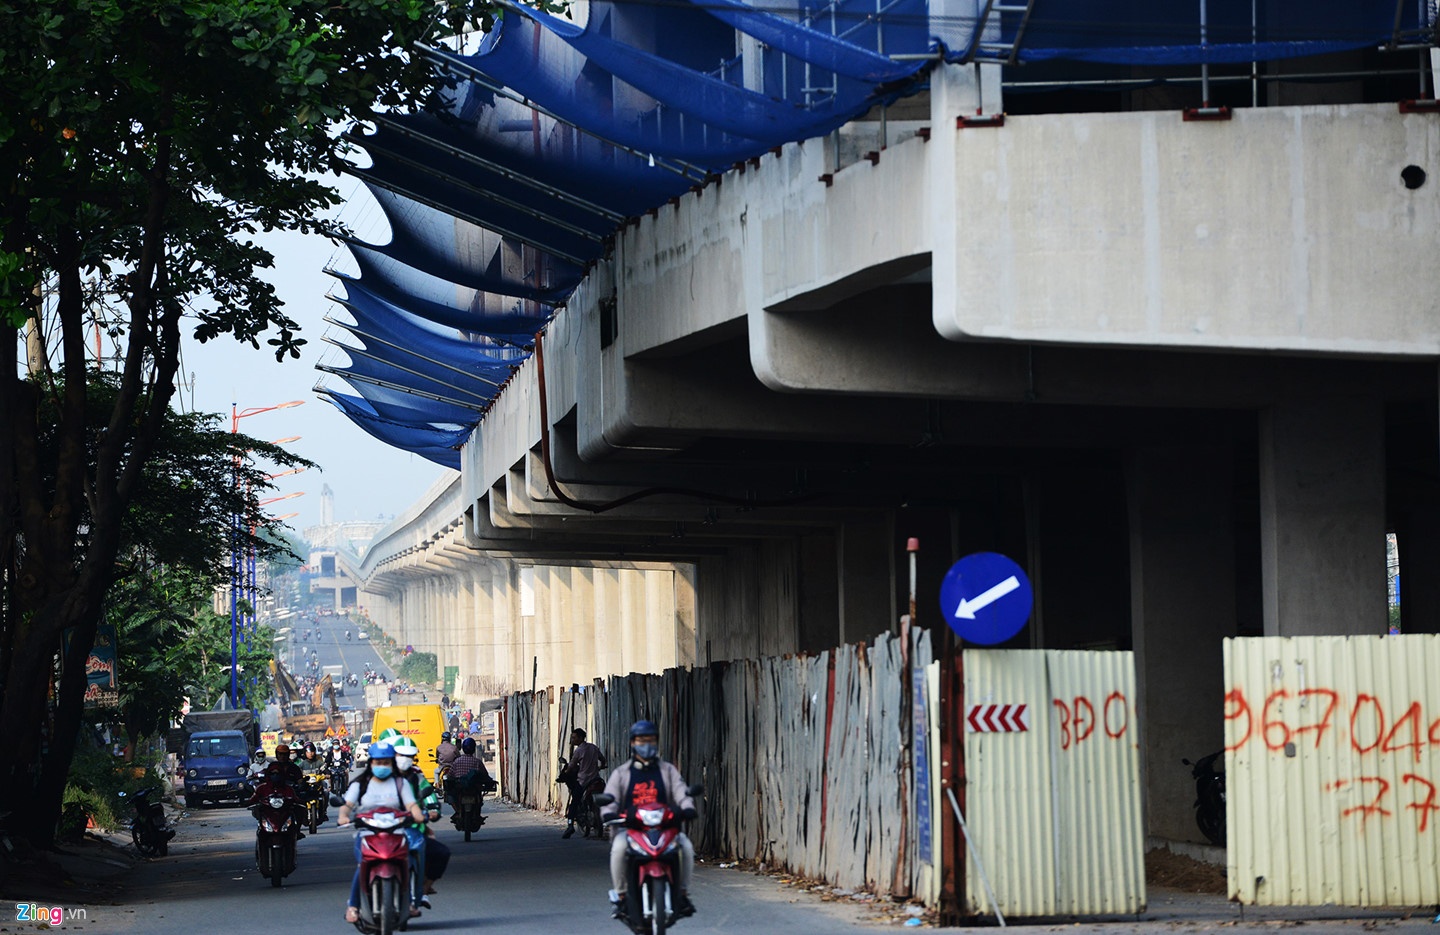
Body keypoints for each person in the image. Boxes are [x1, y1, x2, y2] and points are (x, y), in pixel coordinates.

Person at [600, 720, 697, 919]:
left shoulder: (667, 770)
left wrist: (687, 808)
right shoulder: (622, 773)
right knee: (618, 849)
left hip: (664, 828)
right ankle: (621, 895)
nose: (646, 744)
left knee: (686, 847)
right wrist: (609, 813)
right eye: (641, 740)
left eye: (651, 740)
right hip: (631, 830)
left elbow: (681, 792)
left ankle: (683, 893)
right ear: (633, 743)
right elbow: (610, 797)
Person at [337, 742, 427, 925]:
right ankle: (353, 905)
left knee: (408, 860)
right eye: (378, 762)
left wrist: (418, 816)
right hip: (367, 833)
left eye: (386, 762)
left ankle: (410, 901)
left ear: (391, 763)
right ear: (371, 763)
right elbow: (347, 805)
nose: (382, 766)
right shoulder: (360, 784)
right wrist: (344, 817)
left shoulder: (400, 783)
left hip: (396, 832)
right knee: (362, 864)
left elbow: (411, 805)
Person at [391, 735, 450, 909]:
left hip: (411, 828)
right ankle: (358, 901)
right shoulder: (381, 773)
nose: (405, 760)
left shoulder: (416, 774)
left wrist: (433, 810)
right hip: (384, 830)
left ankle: (423, 888)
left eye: (409, 756)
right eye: (401, 755)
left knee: (441, 853)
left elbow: (428, 792)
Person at [559, 727, 607, 839]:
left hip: (583, 781)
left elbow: (571, 765)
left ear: (581, 738)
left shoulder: (578, 751)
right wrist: (601, 766)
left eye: (574, 737)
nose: (572, 740)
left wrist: (566, 772)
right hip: (596, 779)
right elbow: (603, 759)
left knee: (574, 803)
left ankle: (570, 825)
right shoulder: (593, 748)